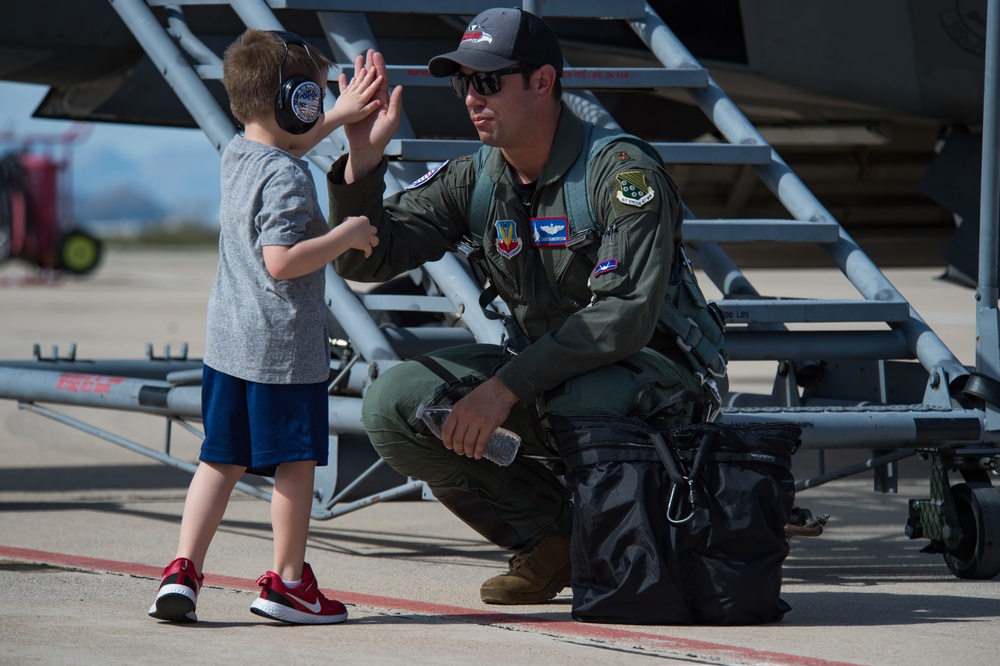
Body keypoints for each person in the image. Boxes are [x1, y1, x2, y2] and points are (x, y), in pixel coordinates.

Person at [327, 8, 724, 605]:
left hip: (650, 376)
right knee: (393, 405)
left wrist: (503, 388)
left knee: (582, 399)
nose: (470, 98)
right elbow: (364, 262)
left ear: (543, 83)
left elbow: (624, 317)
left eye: (488, 81)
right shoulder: (476, 179)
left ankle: (635, 542)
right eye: (463, 83)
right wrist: (362, 163)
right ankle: (554, 537)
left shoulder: (620, 173)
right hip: (545, 373)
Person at [149, 28, 382, 625]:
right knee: (295, 463)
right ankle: (290, 582)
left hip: (228, 345)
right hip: (282, 352)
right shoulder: (290, 177)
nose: (321, 105)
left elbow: (285, 149)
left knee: (218, 460)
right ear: (292, 100)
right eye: (316, 97)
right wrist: (346, 234)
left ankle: (182, 572)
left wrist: (335, 119)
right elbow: (281, 260)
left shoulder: (238, 153)